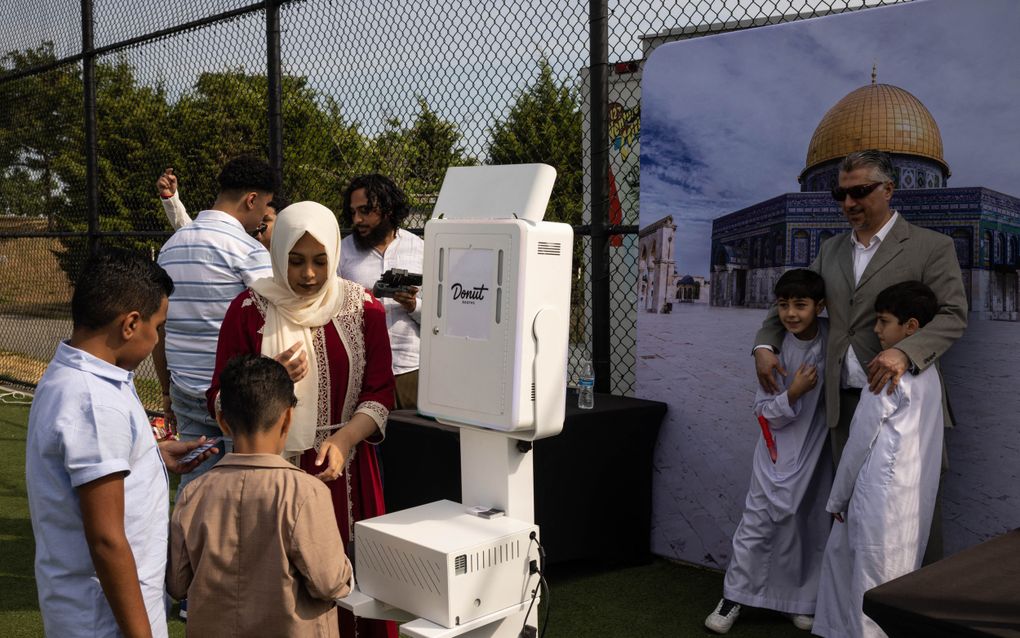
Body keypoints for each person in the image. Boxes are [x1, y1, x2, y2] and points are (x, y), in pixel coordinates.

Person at [753, 149, 967, 561]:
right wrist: (765, 345)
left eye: (861, 192)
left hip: (902, 406)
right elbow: (793, 298)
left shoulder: (930, 247)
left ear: (890, 189)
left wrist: (905, 352)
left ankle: (915, 608)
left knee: (911, 510)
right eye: (842, 194)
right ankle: (852, 608)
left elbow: (954, 315)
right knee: (851, 511)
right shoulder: (831, 250)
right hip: (844, 404)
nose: (849, 204)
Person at [208, 201, 397, 638]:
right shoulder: (249, 309)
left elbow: (380, 392)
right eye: (295, 261)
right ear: (277, 256)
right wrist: (270, 376)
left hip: (345, 472)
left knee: (351, 587)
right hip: (268, 475)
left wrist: (346, 439)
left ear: (334, 254)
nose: (308, 275)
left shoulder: (363, 308)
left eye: (319, 261)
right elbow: (219, 397)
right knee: (277, 590)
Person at [25, 249, 218, 638]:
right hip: (103, 620)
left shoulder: (80, 372)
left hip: (94, 609)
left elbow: (86, 470)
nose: (158, 338)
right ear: (130, 324)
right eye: (158, 327)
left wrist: (151, 456)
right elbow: (107, 539)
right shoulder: (95, 401)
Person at [169, 354, 353, 637]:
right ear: (288, 418)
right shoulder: (305, 493)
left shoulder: (193, 494)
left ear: (222, 420)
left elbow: (177, 584)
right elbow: (330, 583)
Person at [154, 155, 291, 502]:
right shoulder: (247, 250)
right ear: (252, 199)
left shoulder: (171, 247)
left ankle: (189, 551)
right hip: (236, 393)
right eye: (267, 205)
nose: (264, 216)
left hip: (184, 386)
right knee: (245, 489)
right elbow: (277, 315)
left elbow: (161, 329)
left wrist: (167, 389)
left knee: (196, 485)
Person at [813, 281, 945, 638]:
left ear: (911, 327)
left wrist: (838, 498)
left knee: (867, 584)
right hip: (910, 499)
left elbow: (859, 442)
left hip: (876, 497)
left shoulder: (888, 371)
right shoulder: (931, 373)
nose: (876, 330)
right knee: (894, 576)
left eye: (883, 321)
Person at [706, 269, 832, 635]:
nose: (791, 314)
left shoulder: (833, 340)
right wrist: (792, 393)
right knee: (758, 522)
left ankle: (801, 601)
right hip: (777, 449)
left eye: (801, 305)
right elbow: (762, 410)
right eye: (783, 305)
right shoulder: (775, 351)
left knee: (806, 522)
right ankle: (734, 596)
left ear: (819, 306)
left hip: (818, 447)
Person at [340, 174, 423, 409]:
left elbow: (440, 317)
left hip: (410, 368)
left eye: (365, 210)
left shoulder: (419, 248)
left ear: (387, 208)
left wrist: (413, 305)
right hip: (362, 370)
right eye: (353, 212)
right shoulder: (342, 251)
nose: (357, 219)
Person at [156, 166, 289, 249]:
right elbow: (194, 233)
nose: (258, 227)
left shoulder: (291, 264)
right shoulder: (239, 247)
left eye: (266, 220)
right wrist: (171, 200)